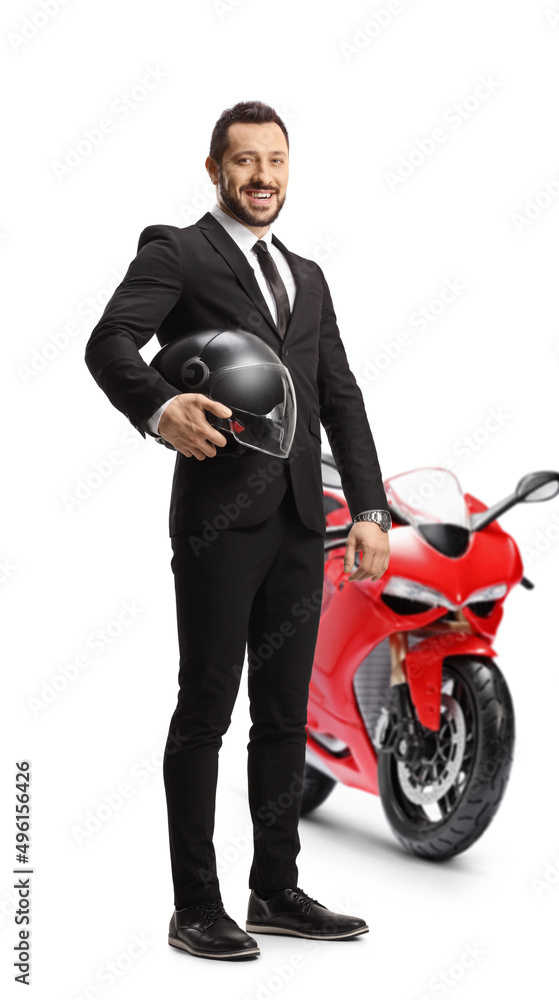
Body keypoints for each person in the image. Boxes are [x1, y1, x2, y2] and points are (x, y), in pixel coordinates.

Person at [84, 100, 392, 961]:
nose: (262, 176)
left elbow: (340, 397)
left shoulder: (309, 274)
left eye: (276, 162)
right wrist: (158, 407)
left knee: (284, 717)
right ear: (215, 168)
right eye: (245, 161)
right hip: (220, 523)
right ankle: (195, 906)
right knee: (207, 709)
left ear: (289, 170)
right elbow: (110, 342)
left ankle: (275, 890)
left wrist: (367, 510)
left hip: (302, 520)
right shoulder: (177, 251)